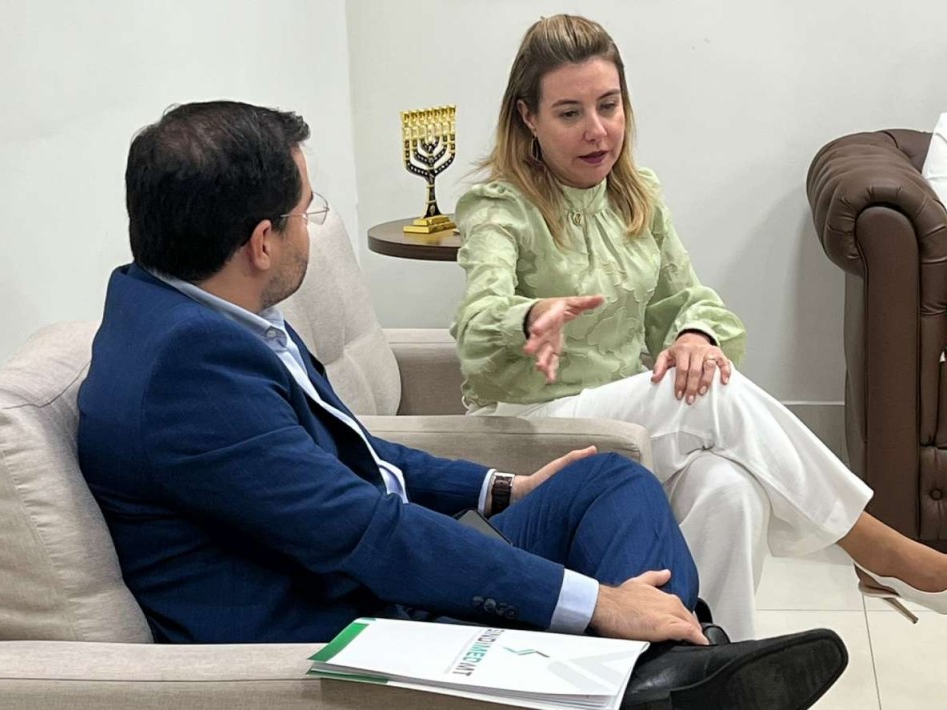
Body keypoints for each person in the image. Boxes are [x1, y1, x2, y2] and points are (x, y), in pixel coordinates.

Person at [77, 100, 847, 709]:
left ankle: (671, 671)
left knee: (608, 479)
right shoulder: (190, 371)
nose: (311, 229)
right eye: (305, 212)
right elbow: (367, 533)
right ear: (260, 242)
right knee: (625, 566)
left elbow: (349, 447)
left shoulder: (200, 310)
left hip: (367, 564)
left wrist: (497, 487)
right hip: (345, 615)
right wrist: (597, 604)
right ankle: (682, 667)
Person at [451, 13, 947, 641]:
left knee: (731, 488)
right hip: (534, 430)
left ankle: (710, 665)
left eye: (609, 105)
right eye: (570, 113)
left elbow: (691, 301)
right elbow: (475, 322)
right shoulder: (499, 207)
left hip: (625, 425)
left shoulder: (635, 196)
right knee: (707, 395)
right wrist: (527, 315)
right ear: (528, 118)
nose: (597, 130)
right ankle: (883, 552)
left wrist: (695, 337)